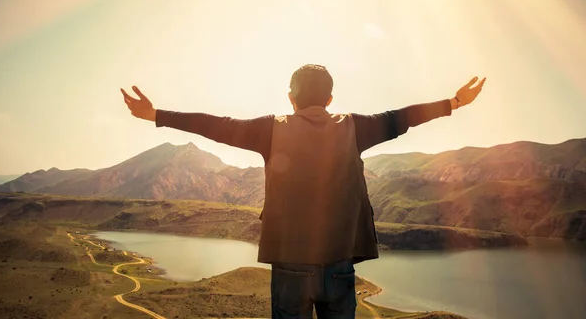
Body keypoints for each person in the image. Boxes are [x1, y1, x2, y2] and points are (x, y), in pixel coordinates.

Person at [121, 64, 486, 319]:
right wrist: (453, 102)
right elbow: (402, 117)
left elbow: (216, 126)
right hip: (340, 267)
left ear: (291, 98)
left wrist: (157, 115)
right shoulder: (356, 128)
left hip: (290, 268)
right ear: (329, 99)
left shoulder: (271, 130)